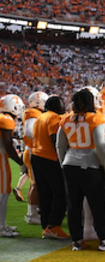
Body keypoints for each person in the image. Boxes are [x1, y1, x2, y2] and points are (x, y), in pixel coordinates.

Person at [57, 88, 105, 251]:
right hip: (90, 164)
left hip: (69, 163)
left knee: (74, 205)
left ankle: (77, 242)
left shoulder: (66, 119)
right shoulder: (96, 118)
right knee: (97, 204)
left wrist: (63, 163)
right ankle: (104, 240)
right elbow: (100, 144)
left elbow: (60, 144)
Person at [31, 95, 69, 240]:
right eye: (62, 104)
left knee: (44, 194)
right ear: (57, 106)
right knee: (61, 192)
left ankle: (46, 226)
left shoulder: (41, 117)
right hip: (49, 158)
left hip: (37, 156)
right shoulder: (54, 118)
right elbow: (55, 139)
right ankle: (54, 225)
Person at [20, 91, 48, 225]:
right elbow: (29, 132)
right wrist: (44, 139)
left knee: (37, 183)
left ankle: (37, 210)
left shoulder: (35, 112)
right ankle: (32, 214)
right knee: (35, 183)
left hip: (33, 149)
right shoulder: (33, 112)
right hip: (33, 150)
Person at [0, 95, 25, 237]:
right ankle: (1, 227)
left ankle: (2, 224)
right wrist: (20, 162)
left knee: (4, 192)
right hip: (1, 157)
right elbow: (8, 145)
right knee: (3, 193)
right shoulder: (7, 120)